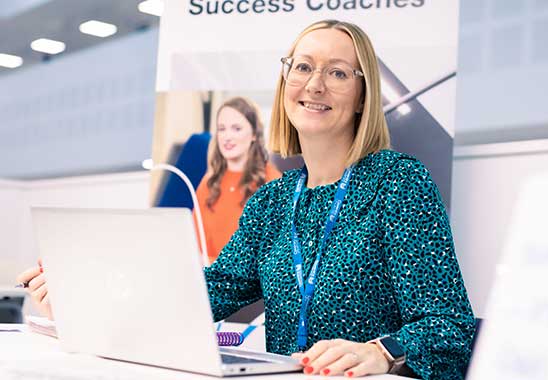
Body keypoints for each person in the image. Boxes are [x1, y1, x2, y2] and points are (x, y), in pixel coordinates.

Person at [18, 20, 475, 379]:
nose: (314, 85)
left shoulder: (398, 182)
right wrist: (84, 300)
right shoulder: (271, 201)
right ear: (285, 81)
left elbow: (451, 326)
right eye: (302, 66)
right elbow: (198, 297)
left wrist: (380, 351)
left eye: (337, 72)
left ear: (362, 96)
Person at [195, 96, 280, 264]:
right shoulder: (207, 184)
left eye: (236, 128)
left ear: (254, 135)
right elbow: (195, 247)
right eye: (222, 129)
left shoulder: (273, 184)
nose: (227, 136)